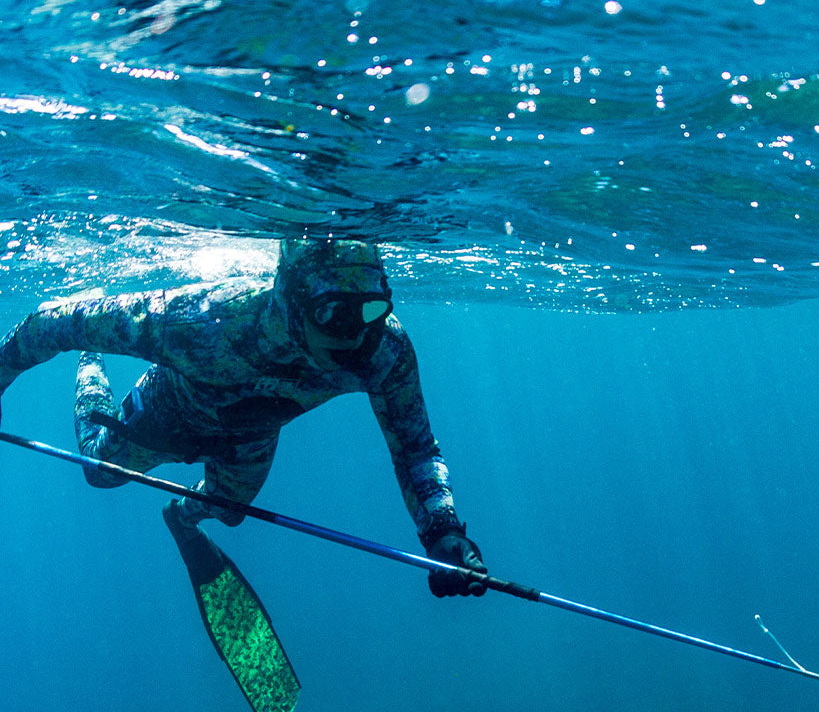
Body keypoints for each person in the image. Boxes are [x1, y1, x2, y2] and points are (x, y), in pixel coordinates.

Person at [0, 237, 487, 597]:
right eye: (335, 313)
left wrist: (442, 531)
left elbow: (415, 447)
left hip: (250, 439)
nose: (356, 334)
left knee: (230, 512)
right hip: (167, 416)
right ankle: (92, 364)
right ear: (292, 302)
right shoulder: (201, 322)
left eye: (372, 310)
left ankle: (182, 516)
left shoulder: (384, 348)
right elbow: (52, 322)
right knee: (99, 474)